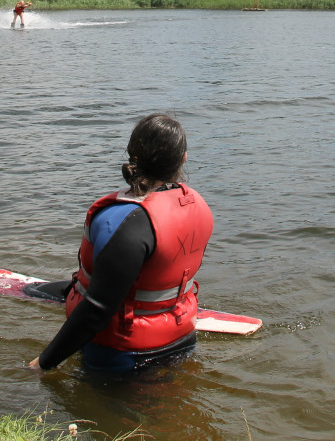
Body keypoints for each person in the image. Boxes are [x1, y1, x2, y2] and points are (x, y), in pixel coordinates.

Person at [27, 113, 214, 372]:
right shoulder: (198, 207)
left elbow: (97, 310)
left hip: (123, 356)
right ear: (183, 158)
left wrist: (43, 363)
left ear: (133, 157)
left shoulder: (124, 221)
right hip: (182, 338)